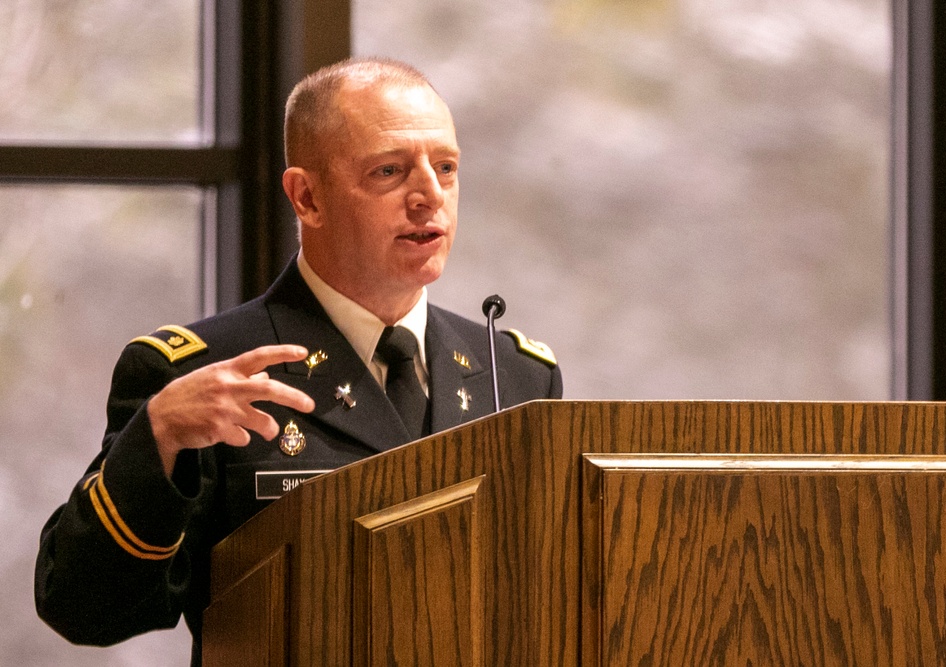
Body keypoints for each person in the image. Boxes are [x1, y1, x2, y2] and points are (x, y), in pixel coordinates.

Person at [35, 57, 561, 665]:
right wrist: (158, 439)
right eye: (389, 171)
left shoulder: (516, 375)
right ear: (307, 197)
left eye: (446, 168)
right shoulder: (205, 375)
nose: (429, 196)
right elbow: (81, 608)